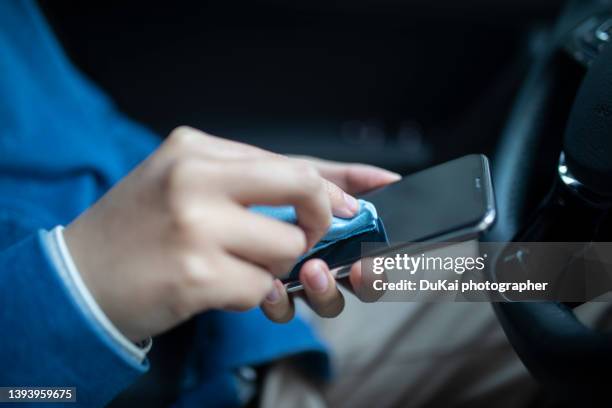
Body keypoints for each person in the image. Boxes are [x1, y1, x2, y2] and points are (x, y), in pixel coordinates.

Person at [1, 2, 544, 407]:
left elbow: (76, 129)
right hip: (178, 379)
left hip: (246, 319)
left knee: (582, 277)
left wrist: (238, 191)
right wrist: (81, 290)